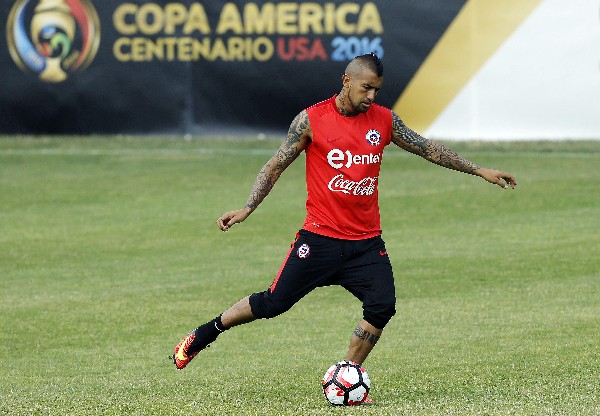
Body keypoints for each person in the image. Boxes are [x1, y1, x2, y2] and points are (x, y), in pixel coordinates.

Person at [172, 54, 517, 380]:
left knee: (382, 306)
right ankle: (205, 333)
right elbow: (275, 165)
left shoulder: (384, 120)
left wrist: (478, 169)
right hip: (319, 239)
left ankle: (348, 373)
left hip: (366, 245)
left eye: (376, 90)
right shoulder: (311, 119)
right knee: (273, 303)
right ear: (346, 80)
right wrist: (248, 207)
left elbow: (428, 148)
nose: (371, 95)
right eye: (366, 87)